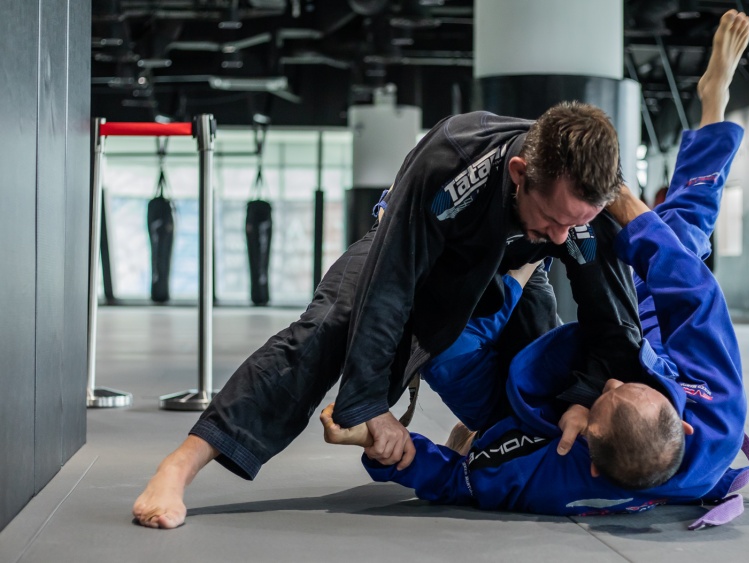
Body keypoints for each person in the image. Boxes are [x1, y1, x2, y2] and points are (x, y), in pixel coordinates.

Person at [133, 84, 650, 528]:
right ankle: (181, 464)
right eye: (553, 218)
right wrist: (369, 406)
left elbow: (615, 319)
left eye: (574, 224)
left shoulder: (582, 202)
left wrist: (585, 397)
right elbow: (392, 285)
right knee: (327, 329)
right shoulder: (453, 158)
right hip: (412, 250)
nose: (564, 236)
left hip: (509, 266)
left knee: (546, 389)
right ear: (519, 173)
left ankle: (475, 434)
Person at [320, 10, 749, 526]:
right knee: (683, 236)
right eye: (632, 388)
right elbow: (695, 295)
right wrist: (623, 205)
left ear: (584, 446)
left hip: (518, 398)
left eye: (604, 399)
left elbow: (461, 480)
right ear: (680, 424)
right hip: (647, 339)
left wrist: (385, 446)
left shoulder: (561, 473)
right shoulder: (715, 423)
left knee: (436, 340)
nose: (612, 382)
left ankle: (514, 273)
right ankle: (713, 101)